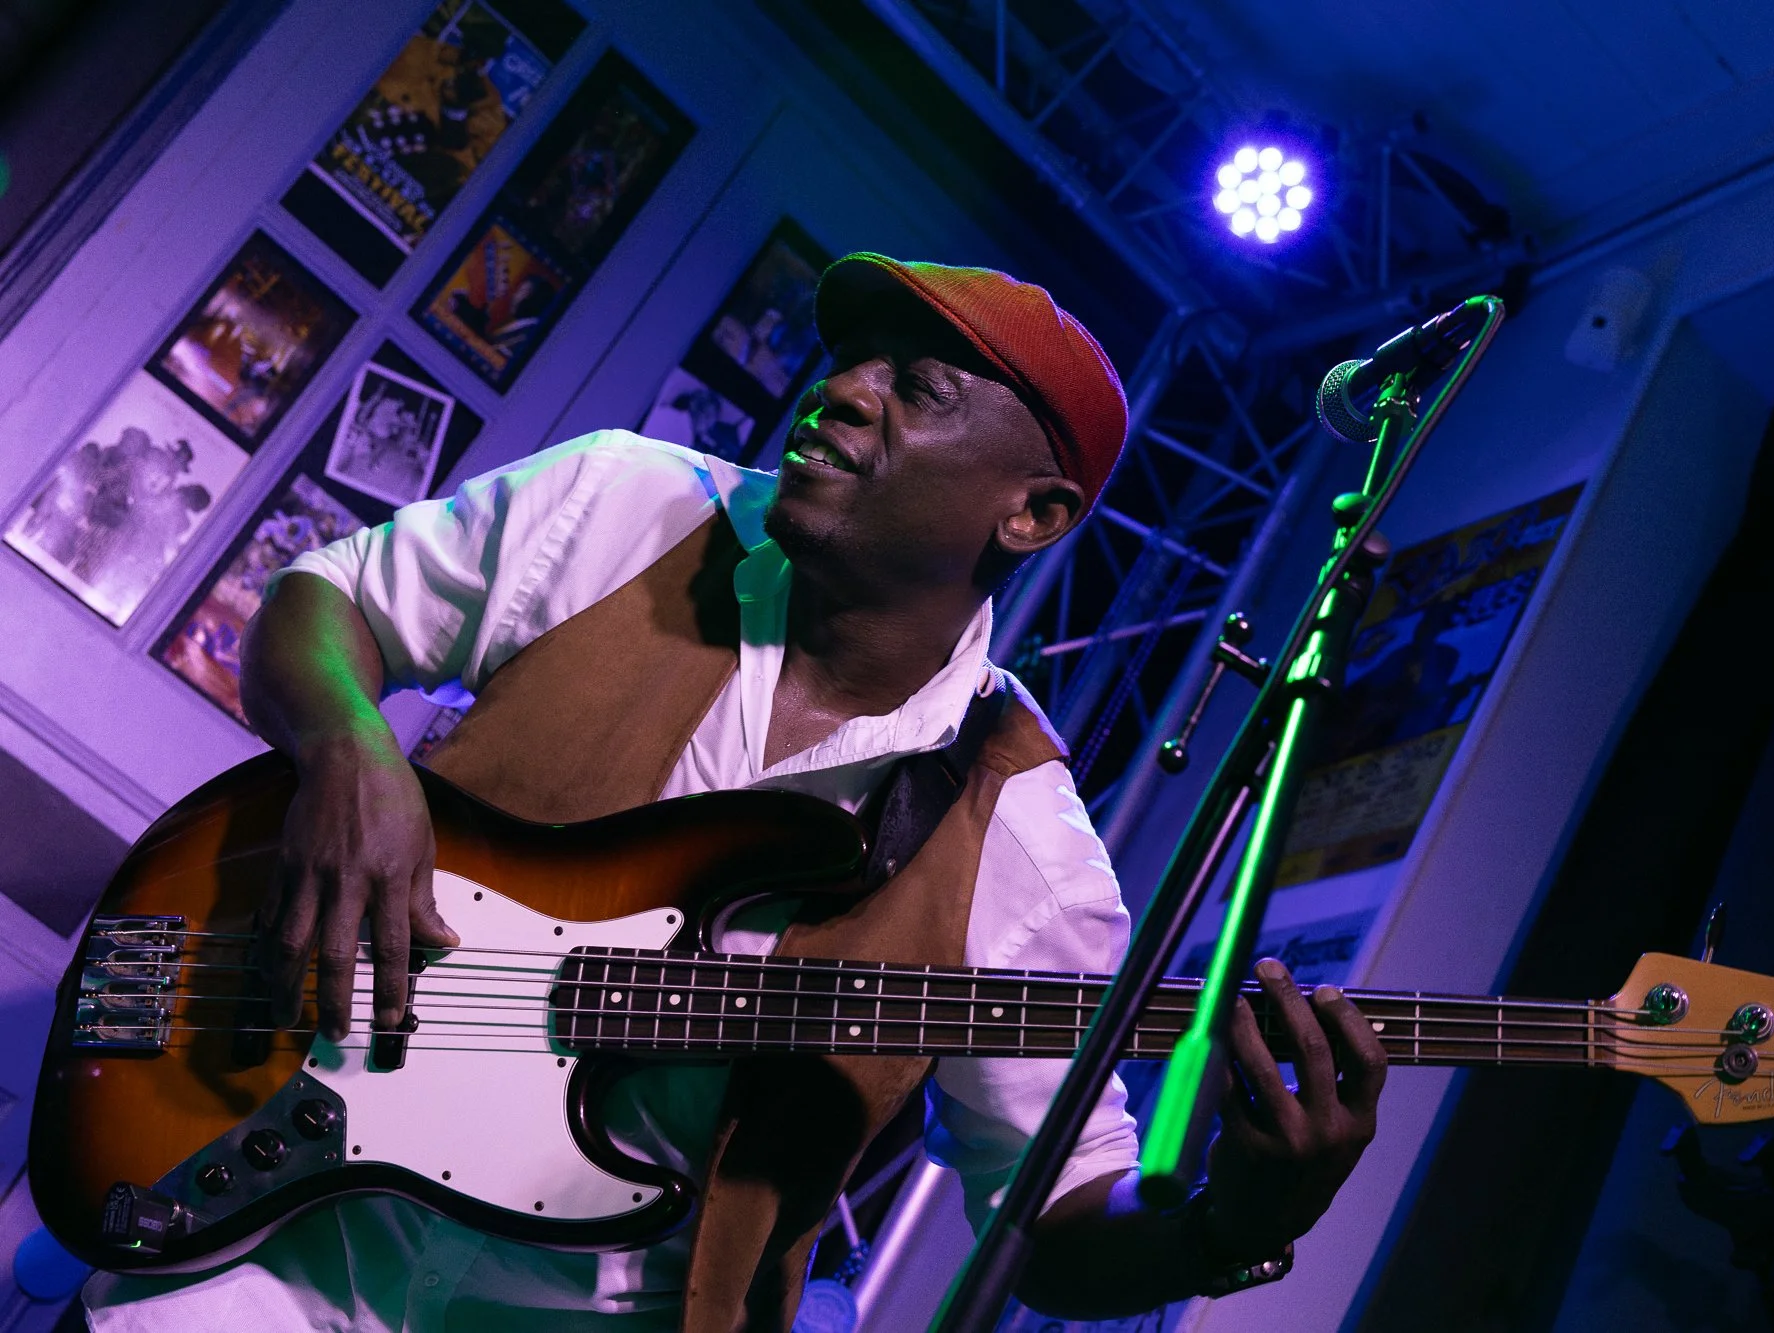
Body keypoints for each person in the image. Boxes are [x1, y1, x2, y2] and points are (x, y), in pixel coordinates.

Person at [82, 254, 1385, 1331]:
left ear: (1032, 515)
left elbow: (1052, 1216)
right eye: (851, 360)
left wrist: (1231, 1224)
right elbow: (322, 607)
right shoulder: (623, 504)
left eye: (915, 387)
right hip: (259, 1236)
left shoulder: (1022, 850)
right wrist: (350, 754)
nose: (842, 391)